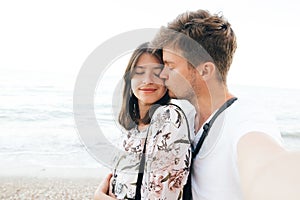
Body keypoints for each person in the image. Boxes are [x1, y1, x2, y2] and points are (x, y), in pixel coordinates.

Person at [96, 9, 300, 200]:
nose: (162, 75)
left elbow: (266, 166)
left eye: (170, 66)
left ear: (204, 71)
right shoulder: (183, 116)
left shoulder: (245, 118)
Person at [96, 42, 192, 200]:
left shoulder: (169, 119)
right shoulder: (133, 128)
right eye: (139, 72)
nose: (147, 80)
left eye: (157, 73)